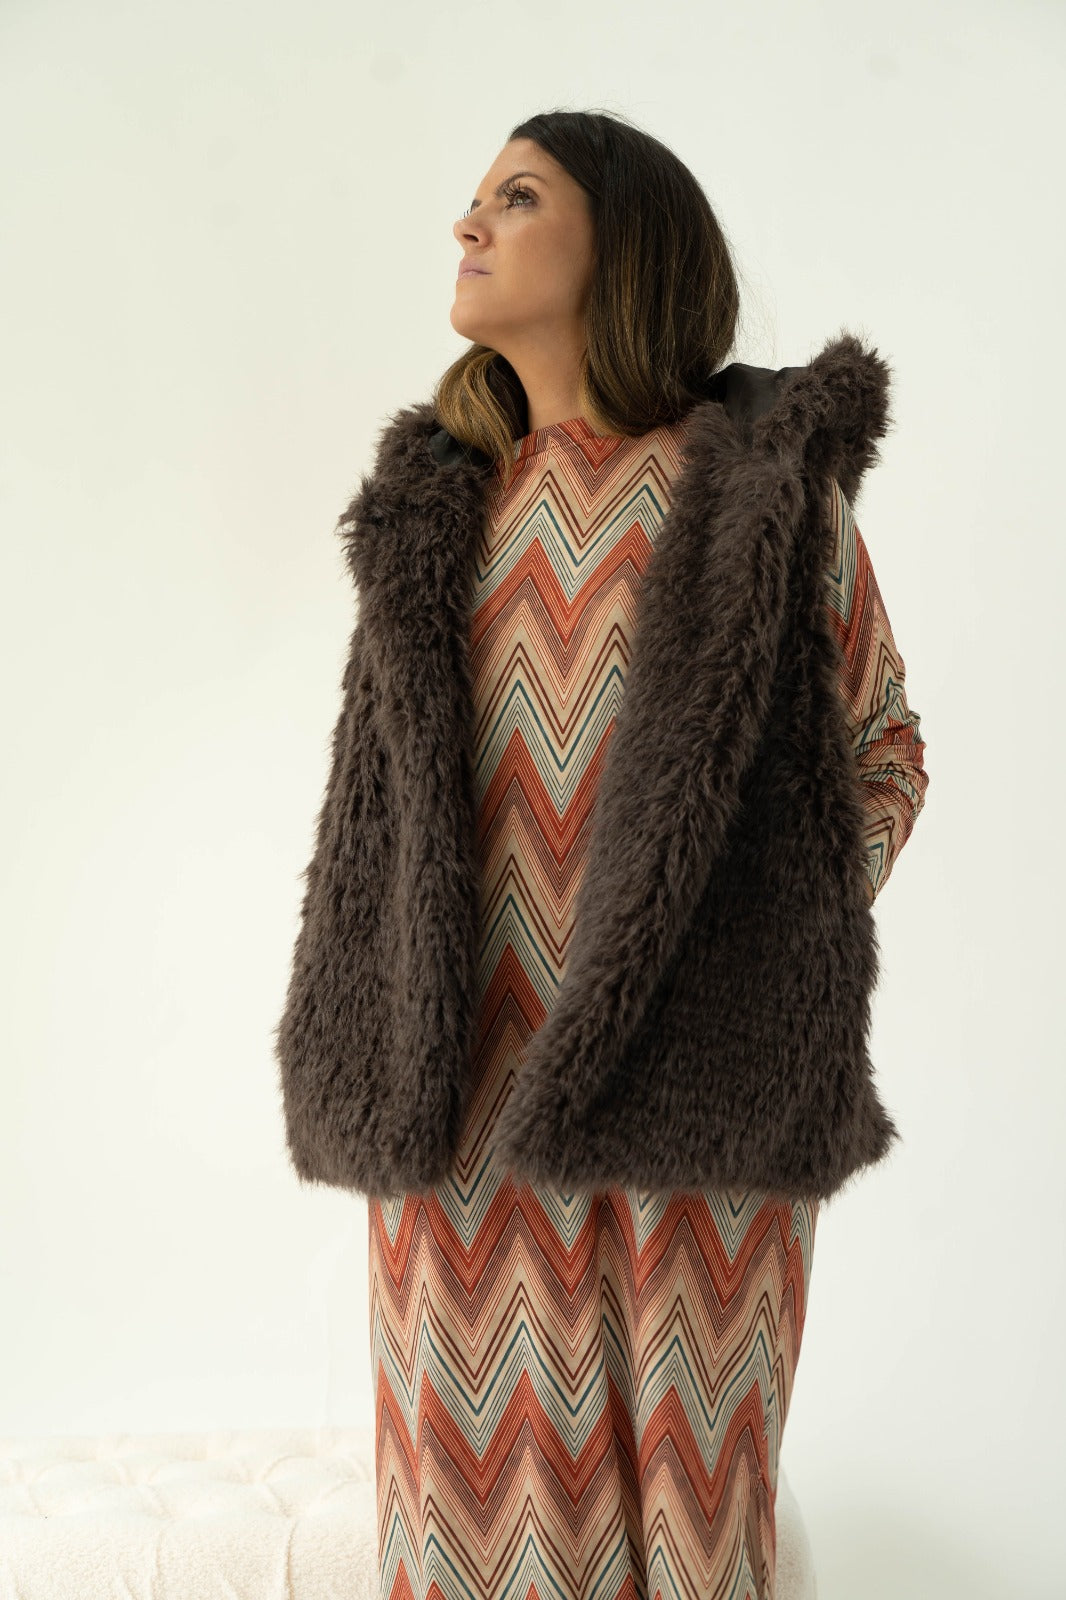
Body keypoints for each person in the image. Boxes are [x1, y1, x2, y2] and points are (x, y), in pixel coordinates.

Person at [274, 108, 929, 1600]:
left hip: (694, 1103)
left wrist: (749, 953)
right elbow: (376, 821)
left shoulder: (755, 489)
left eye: (516, 196)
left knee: (691, 1538)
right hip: (461, 1114)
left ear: (625, 242)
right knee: (464, 1531)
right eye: (474, 199)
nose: (469, 225)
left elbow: (882, 752)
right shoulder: (433, 517)